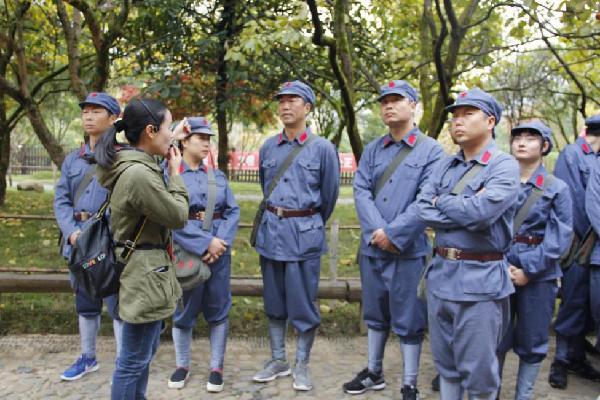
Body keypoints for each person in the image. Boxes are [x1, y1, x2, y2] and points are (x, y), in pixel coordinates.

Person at [416, 88, 519, 399]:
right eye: (454, 115)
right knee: (446, 365)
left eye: (467, 114)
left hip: (480, 280)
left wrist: (442, 202)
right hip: (441, 275)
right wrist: (460, 206)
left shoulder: (504, 166)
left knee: (478, 373)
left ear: (490, 121)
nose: (457, 121)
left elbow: (482, 214)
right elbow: (422, 208)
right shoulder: (445, 166)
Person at [343, 80, 443, 399]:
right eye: (384, 100)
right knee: (375, 312)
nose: (388, 105)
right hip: (374, 248)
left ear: (413, 105)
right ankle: (374, 371)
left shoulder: (432, 151)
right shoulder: (373, 149)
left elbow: (426, 201)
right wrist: (378, 232)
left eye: (396, 99)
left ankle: (409, 381)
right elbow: (360, 191)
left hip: (408, 251)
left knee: (409, 317)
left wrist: (395, 234)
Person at [95, 98, 189, 399]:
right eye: (167, 127)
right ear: (150, 130)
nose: (169, 134)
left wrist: (172, 141)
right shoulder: (138, 175)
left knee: (141, 355)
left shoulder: (135, 164)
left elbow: (151, 165)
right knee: (132, 361)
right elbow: (178, 216)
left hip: (142, 271)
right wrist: (176, 174)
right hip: (142, 276)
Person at [251, 80, 340, 391]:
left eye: (293, 100)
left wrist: (304, 221)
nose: (285, 105)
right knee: (274, 301)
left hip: (304, 237)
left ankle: (302, 362)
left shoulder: (323, 149)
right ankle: (278, 359)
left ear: (308, 108)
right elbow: (266, 187)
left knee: (303, 305)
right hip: (272, 234)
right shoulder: (268, 147)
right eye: (281, 100)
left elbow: (328, 197)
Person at [496, 121, 573, 399]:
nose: (522, 142)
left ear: (545, 146)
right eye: (517, 137)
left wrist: (528, 269)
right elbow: (487, 225)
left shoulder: (557, 188)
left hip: (539, 274)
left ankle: (523, 395)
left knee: (533, 340)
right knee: (495, 338)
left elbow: (560, 237)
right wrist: (501, 265)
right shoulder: (498, 182)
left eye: (531, 138)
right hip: (499, 268)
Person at [166, 117, 239, 392]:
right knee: (183, 310)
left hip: (219, 252)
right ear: (184, 141)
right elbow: (171, 217)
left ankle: (216, 368)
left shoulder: (217, 176)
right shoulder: (170, 174)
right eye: (201, 138)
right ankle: (182, 365)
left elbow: (232, 210)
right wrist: (205, 243)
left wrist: (221, 242)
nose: (207, 143)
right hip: (187, 251)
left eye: (209, 138)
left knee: (219, 309)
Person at [54, 92, 122, 381]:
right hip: (79, 241)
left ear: (113, 118)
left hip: (109, 241)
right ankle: (88, 357)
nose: (88, 117)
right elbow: (61, 199)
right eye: (85, 112)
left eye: (96, 111)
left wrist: (107, 234)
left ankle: (124, 361)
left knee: (118, 303)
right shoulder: (73, 160)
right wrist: (72, 233)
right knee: (85, 301)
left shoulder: (122, 158)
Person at [549, 113, 600, 389]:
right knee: (572, 301)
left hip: (592, 243)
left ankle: (577, 356)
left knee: (585, 305)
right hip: (579, 241)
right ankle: (561, 360)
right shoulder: (573, 154)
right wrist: (587, 236)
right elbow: (575, 201)